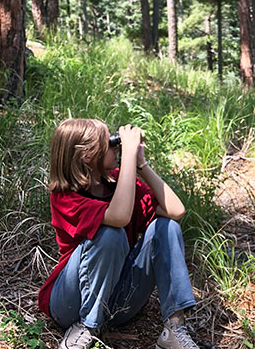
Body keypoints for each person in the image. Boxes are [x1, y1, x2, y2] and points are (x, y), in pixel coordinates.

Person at [38, 119, 200, 349]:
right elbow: (119, 217)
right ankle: (87, 326)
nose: (118, 147)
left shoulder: (118, 183)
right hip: (70, 304)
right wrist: (129, 159)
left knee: (167, 226)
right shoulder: (64, 197)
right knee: (111, 235)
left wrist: (141, 165)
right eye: (112, 143)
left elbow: (176, 211)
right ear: (87, 156)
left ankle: (174, 328)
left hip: (117, 304)